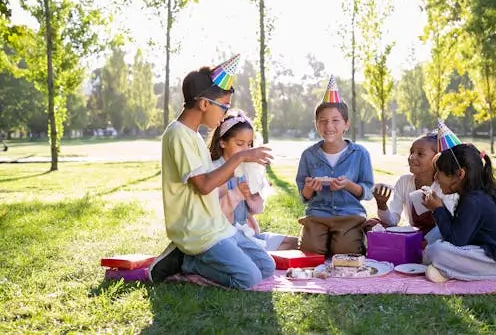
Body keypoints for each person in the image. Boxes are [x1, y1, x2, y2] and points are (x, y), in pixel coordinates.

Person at [150, 54, 276, 289]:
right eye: (224, 107)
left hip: (218, 225)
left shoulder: (195, 136)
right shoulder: (177, 134)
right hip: (198, 232)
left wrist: (249, 173)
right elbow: (204, 185)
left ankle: (196, 259)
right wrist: (241, 156)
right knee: (249, 279)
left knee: (266, 267)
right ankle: (188, 262)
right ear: (205, 104)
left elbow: (215, 181)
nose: (224, 115)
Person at [422, 123, 496, 282]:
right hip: (495, 254)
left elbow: (456, 240)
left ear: (459, 174)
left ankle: (448, 271)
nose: (435, 178)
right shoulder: (474, 194)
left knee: (437, 250)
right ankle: (448, 271)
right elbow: (460, 233)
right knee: (435, 236)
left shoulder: (473, 200)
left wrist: (438, 209)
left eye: (439, 173)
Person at [295, 75, 374, 256]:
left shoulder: (360, 154)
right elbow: (304, 196)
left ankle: (342, 239)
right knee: (311, 253)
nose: (328, 125)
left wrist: (348, 185)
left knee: (346, 253)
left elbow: (367, 191)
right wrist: (309, 188)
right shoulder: (308, 155)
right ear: (316, 124)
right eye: (323, 120)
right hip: (317, 215)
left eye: (335, 120)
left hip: (349, 215)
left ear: (346, 124)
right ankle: (323, 239)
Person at [209, 111, 299, 251]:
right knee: (263, 256)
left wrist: (256, 193)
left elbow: (257, 209)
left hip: (247, 233)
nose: (246, 150)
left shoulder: (247, 169)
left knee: (298, 243)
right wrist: (237, 193)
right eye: (240, 144)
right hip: (225, 237)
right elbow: (215, 215)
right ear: (222, 142)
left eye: (249, 144)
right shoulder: (214, 170)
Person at [366, 132, 459, 240]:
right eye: (411, 152)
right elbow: (392, 221)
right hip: (413, 236)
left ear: (437, 158)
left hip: (438, 239)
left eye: (420, 154)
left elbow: (446, 227)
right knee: (371, 224)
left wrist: (423, 242)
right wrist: (382, 205)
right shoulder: (404, 181)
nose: (411, 157)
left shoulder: (444, 187)